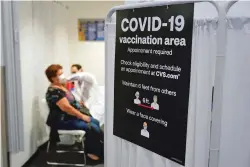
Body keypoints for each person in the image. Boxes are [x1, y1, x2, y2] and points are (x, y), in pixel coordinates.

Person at [45, 64, 103, 163]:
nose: (63, 75)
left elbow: (70, 101)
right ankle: (93, 154)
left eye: (62, 72)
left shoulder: (61, 86)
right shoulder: (53, 91)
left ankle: (97, 149)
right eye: (60, 74)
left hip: (70, 117)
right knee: (91, 127)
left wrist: (79, 104)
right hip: (62, 120)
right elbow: (66, 108)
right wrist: (82, 116)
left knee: (96, 122)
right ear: (53, 78)